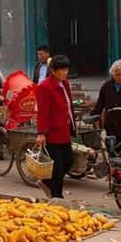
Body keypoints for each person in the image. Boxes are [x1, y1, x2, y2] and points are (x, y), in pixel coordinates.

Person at [35, 55, 75, 200]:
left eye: (66, 69)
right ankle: (56, 195)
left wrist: (73, 126)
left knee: (69, 161)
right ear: (53, 71)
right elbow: (42, 111)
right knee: (57, 166)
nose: (65, 72)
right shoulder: (45, 87)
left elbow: (69, 106)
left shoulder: (64, 84)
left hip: (64, 130)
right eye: (61, 70)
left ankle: (47, 182)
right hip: (52, 133)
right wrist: (41, 133)